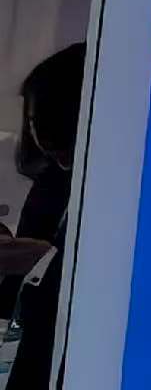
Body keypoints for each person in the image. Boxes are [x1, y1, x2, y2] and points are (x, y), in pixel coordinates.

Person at [2, 44, 83, 390]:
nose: (41, 133)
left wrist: (40, 260)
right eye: (37, 120)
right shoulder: (51, 186)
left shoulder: (120, 198)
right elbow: (16, 299)